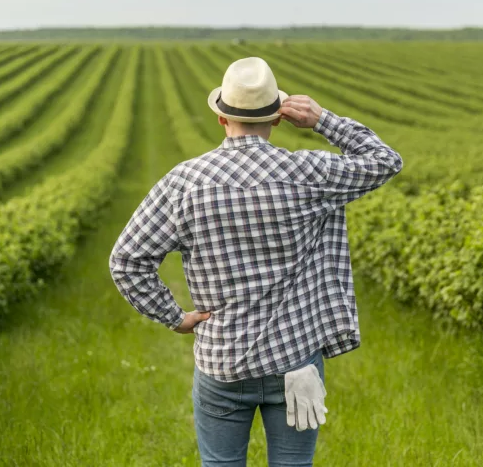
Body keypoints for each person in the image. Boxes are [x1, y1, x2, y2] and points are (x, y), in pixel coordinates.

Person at [109, 56, 403, 466]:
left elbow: (126, 261)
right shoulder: (307, 172)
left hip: (222, 360)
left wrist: (174, 316)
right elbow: (386, 160)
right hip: (295, 359)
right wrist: (322, 120)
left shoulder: (184, 182)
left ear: (221, 119)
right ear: (278, 118)